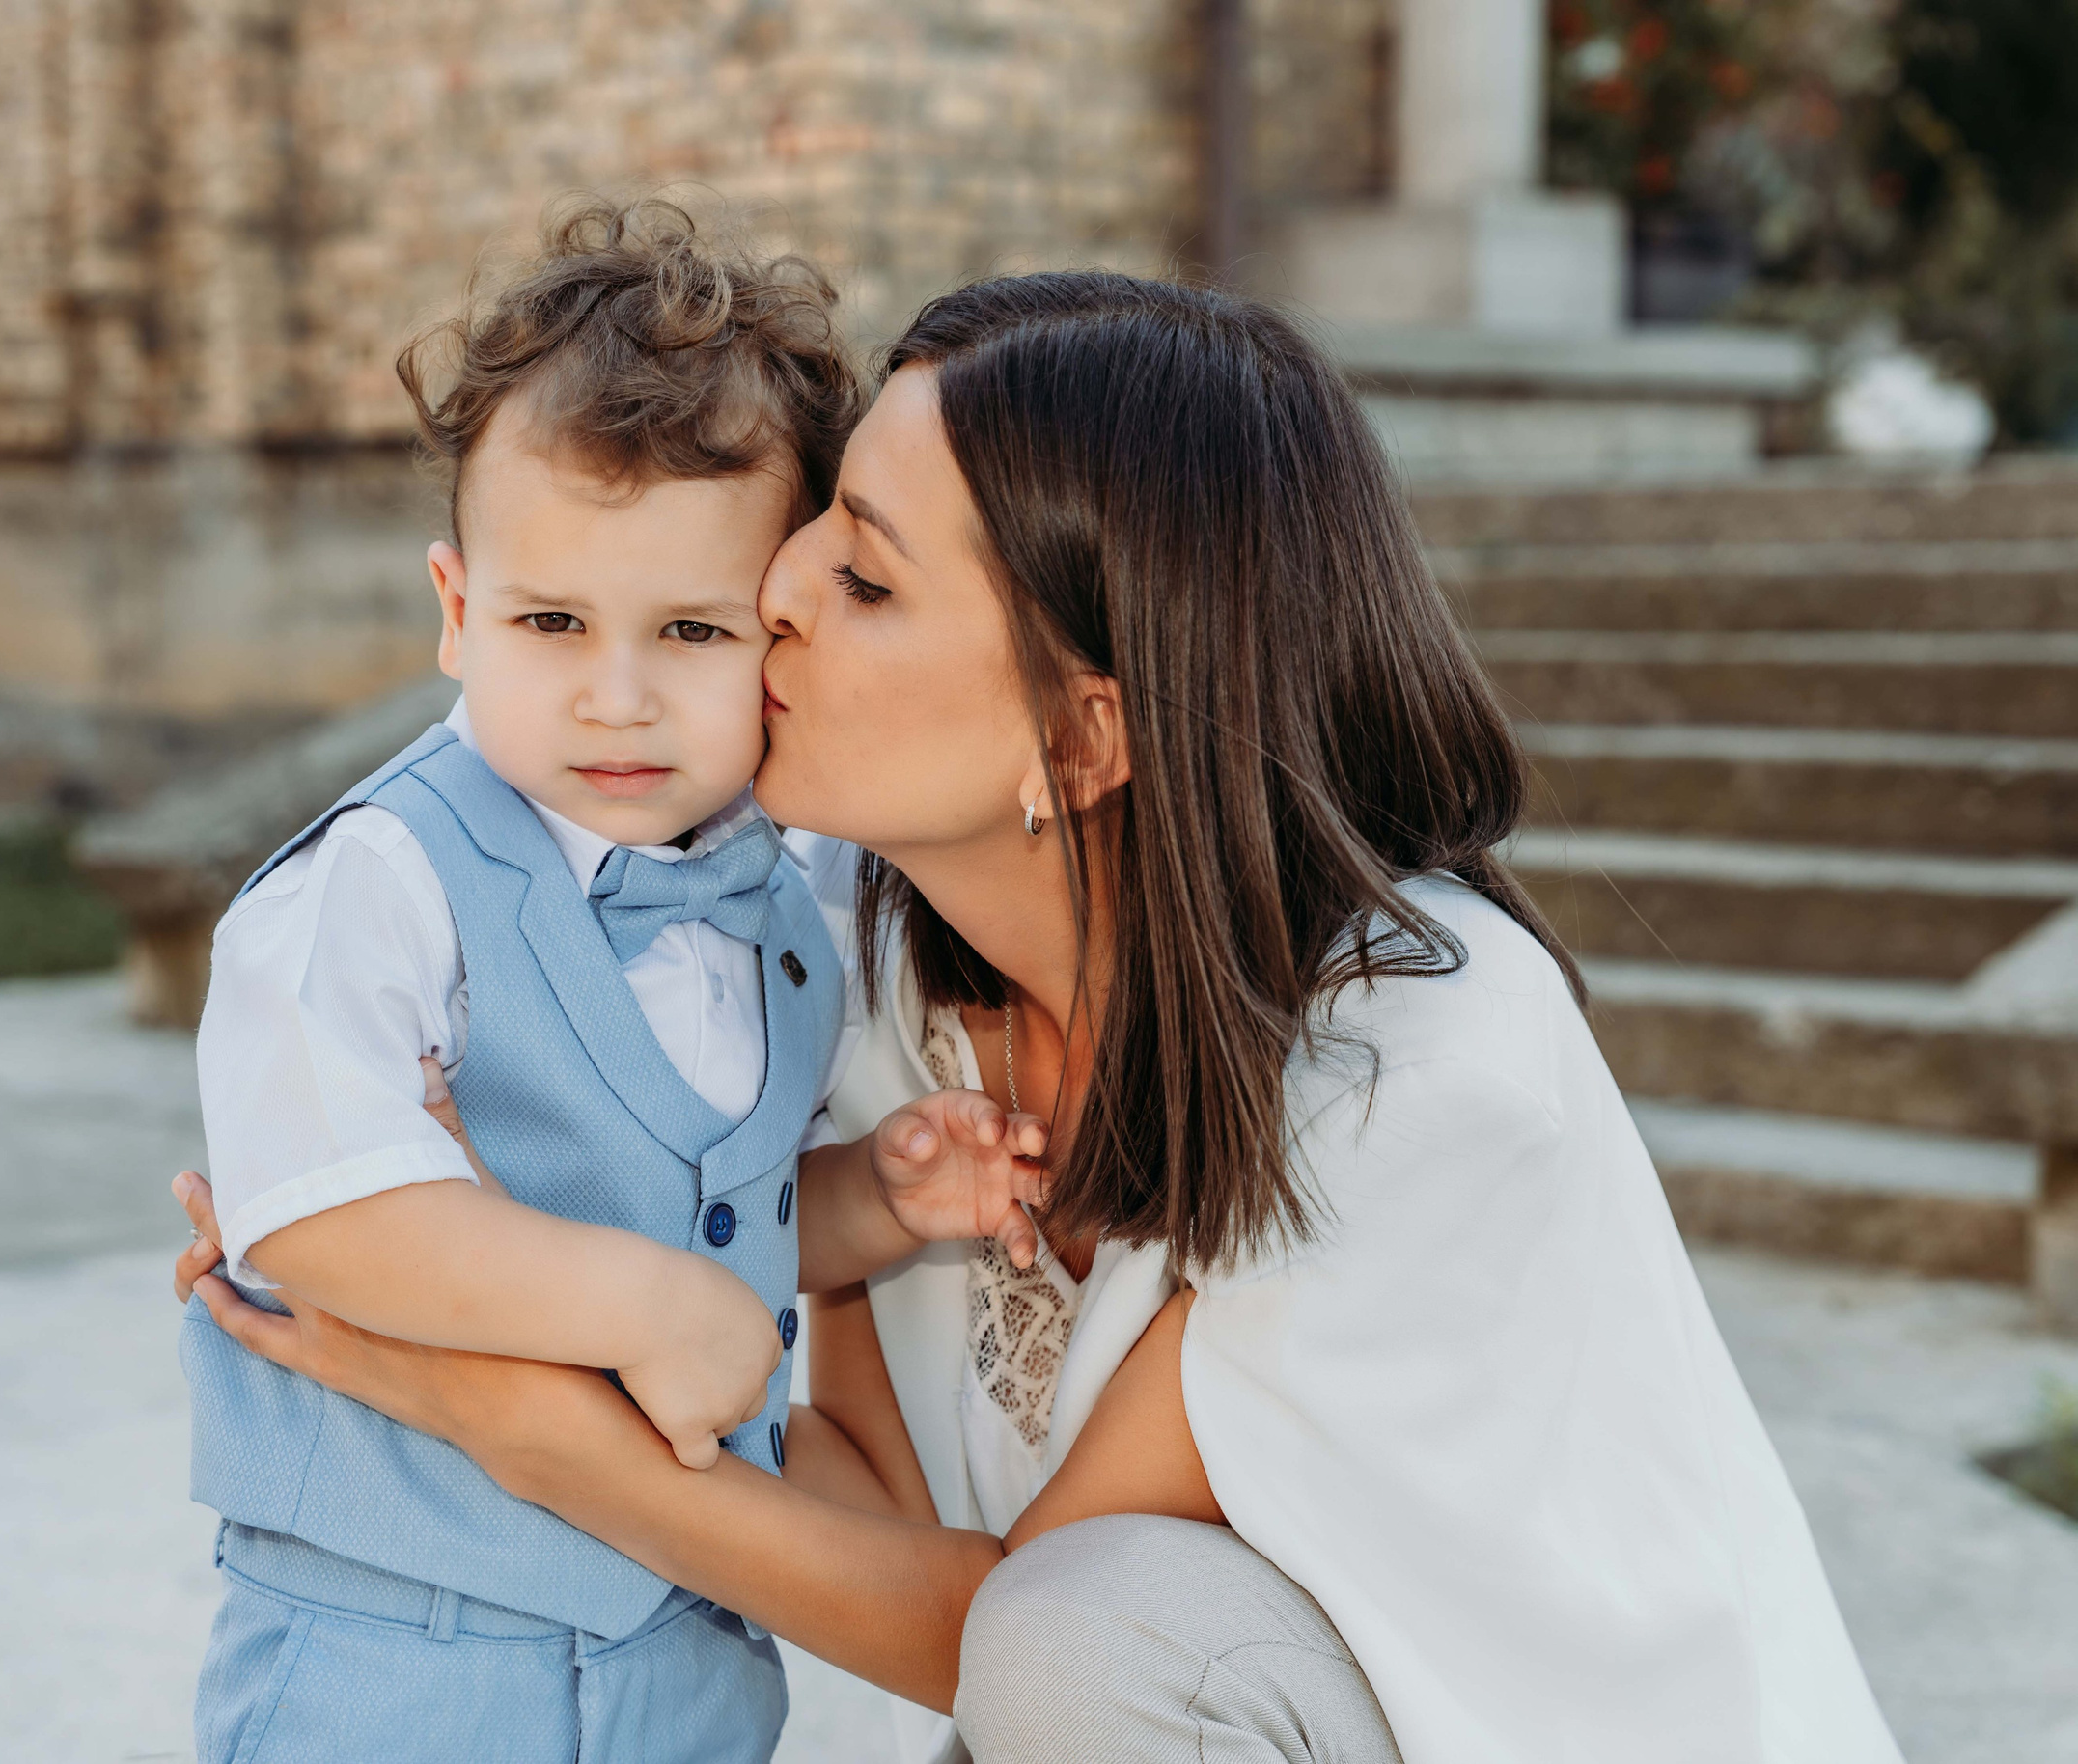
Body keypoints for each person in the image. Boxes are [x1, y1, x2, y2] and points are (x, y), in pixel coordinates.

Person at [177, 271, 1905, 1764]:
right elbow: (850, 1501)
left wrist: (516, 1416)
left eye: (861, 576)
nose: (769, 594)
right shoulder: (849, 960)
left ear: (1080, 739)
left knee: (1093, 1631)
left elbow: (1001, 1635)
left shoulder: (1423, 1057)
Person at [182, 198, 1040, 1764]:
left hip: (686, 1655)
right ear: (457, 610)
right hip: (400, 1655)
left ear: (777, 627)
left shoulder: (779, 901)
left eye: (692, 628)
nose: (617, 696)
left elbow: (715, 1201)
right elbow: (314, 1209)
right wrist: (647, 1307)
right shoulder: (377, 884)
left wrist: (874, 1201)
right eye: (553, 620)